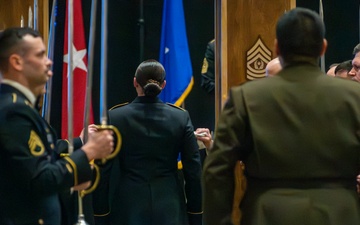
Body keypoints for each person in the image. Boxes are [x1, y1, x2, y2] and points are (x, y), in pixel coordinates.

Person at [203, 7, 360, 225]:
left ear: (277, 47)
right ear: (323, 48)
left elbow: (216, 170)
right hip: (340, 214)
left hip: (267, 214)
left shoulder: (245, 98)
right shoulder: (354, 96)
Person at [0, 27, 114, 225]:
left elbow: (32, 172)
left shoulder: (20, 106)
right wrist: (88, 152)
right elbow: (39, 180)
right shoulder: (13, 111)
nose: (49, 61)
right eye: (40, 55)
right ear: (16, 62)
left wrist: (71, 180)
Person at [93, 59, 203, 225]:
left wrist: (100, 214)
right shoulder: (180, 117)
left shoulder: (115, 117)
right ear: (164, 85)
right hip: (170, 206)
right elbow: (193, 170)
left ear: (135, 82)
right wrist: (195, 214)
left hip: (128, 207)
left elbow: (103, 171)